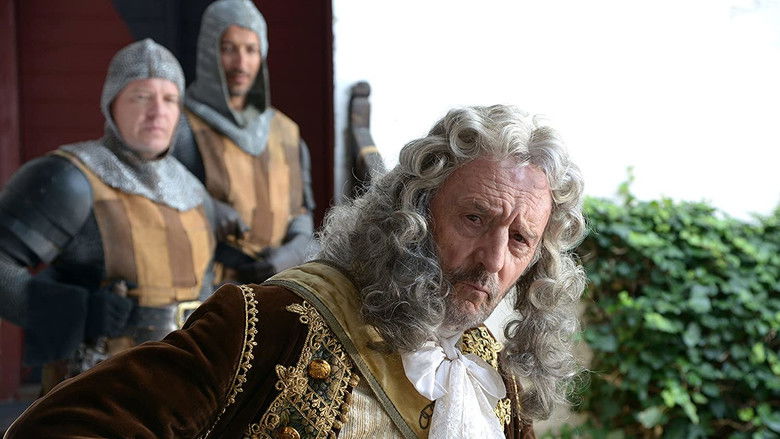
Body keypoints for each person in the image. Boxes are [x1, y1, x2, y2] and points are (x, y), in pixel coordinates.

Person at [6, 105, 586, 439]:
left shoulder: (491, 375)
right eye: (474, 219)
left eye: (520, 240)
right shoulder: (270, 324)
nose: (493, 259)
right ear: (415, 211)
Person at [0, 39, 240, 391]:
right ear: (111, 103)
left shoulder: (194, 192)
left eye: (169, 99)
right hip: (97, 388)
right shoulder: (69, 178)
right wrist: (78, 311)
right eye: (141, 97)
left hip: (189, 384)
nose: (157, 111)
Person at [173, 0, 317, 284]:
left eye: (251, 50)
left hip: (278, 287)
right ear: (209, 51)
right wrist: (206, 206)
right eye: (229, 49)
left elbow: (302, 210)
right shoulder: (180, 127)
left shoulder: (286, 132)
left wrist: (293, 251)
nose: (241, 64)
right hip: (208, 287)